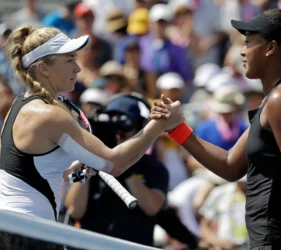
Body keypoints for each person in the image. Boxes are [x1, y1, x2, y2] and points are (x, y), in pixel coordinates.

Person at [150, 9, 281, 250]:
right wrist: (177, 128)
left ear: (270, 48)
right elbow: (230, 165)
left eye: (248, 42)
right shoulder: (275, 100)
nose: (242, 51)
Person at [0, 25, 182, 222]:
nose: (77, 68)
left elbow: (29, 169)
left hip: (17, 227)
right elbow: (114, 164)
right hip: (25, 232)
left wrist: (76, 165)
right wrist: (160, 125)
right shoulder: (49, 115)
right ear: (43, 68)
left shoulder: (22, 104)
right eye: (69, 60)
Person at [65, 93, 169, 246]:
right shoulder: (90, 162)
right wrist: (90, 161)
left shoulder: (154, 168)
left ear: (140, 128)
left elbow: (152, 207)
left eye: (126, 125)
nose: (118, 134)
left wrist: (123, 167)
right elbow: (74, 209)